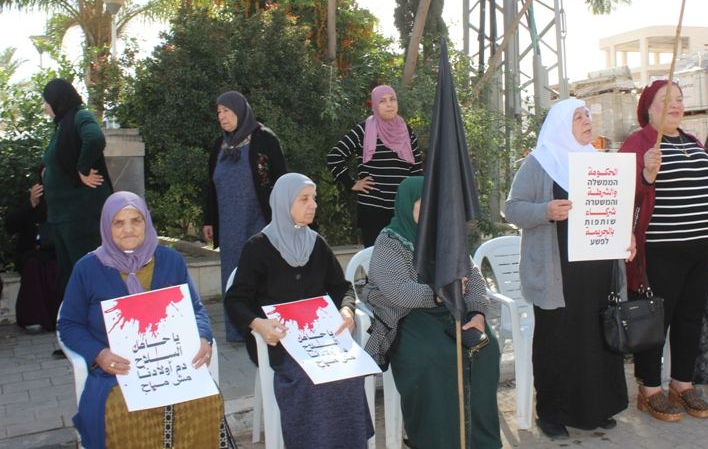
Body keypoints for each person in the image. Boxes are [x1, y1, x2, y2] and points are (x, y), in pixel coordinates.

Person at [57, 192, 233, 449]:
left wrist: (203, 337)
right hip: (118, 372)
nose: (128, 229)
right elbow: (69, 324)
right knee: (121, 410)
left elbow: (195, 309)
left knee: (204, 400)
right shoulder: (87, 268)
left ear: (146, 222)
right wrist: (99, 354)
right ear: (106, 226)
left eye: (135, 220)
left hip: (172, 367)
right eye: (118, 223)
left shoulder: (170, 261)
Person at [505, 98, 632, 439]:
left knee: (597, 339)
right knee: (558, 344)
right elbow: (512, 209)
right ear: (561, 125)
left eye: (588, 115)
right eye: (578, 117)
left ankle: (598, 407)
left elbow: (615, 209)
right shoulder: (540, 163)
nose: (587, 121)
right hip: (558, 275)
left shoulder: (598, 161)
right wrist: (545, 211)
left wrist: (626, 237)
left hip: (597, 273)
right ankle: (552, 414)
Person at [224, 173, 374, 449]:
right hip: (280, 341)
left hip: (321, 340)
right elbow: (236, 300)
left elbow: (342, 287)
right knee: (310, 381)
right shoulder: (258, 248)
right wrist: (258, 324)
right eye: (304, 199)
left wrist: (346, 310)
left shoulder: (316, 244)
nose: (313, 205)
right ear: (284, 203)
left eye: (314, 198)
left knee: (349, 375)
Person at [620, 79, 708, 422]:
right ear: (648, 108)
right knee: (655, 321)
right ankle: (649, 390)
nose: (675, 104)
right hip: (661, 251)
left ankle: (682, 383)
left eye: (679, 98)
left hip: (700, 251)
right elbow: (623, 195)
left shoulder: (693, 142)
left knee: (690, 319)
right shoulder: (638, 143)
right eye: (666, 99)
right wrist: (646, 174)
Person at [362, 176, 502, 449]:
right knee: (435, 357)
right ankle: (433, 440)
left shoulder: (446, 235)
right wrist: (440, 293)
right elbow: (399, 291)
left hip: (451, 313)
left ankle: (478, 441)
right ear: (407, 205)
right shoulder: (390, 241)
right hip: (407, 318)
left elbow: (473, 278)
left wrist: (477, 313)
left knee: (486, 348)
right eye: (422, 205)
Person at [203, 90, 287, 342]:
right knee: (233, 276)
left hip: (259, 220)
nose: (222, 116)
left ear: (240, 111)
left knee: (261, 274)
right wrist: (208, 219)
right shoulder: (219, 145)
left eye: (227, 111)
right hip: (229, 225)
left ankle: (267, 329)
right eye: (219, 112)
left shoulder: (264, 139)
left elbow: (282, 180)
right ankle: (237, 332)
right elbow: (210, 185)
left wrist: (283, 217)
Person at [327, 85, 423, 247]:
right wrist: (351, 183)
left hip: (402, 210)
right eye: (382, 101)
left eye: (392, 99)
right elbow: (334, 156)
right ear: (375, 105)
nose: (389, 104)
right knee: (374, 257)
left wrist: (418, 202)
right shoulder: (363, 130)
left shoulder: (406, 131)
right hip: (373, 209)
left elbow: (416, 170)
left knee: (404, 257)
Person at [41, 78, 112, 298]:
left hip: (81, 217)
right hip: (63, 217)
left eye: (46, 101)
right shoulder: (63, 124)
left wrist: (82, 169)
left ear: (57, 100)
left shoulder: (80, 116)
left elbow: (95, 138)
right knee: (71, 278)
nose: (44, 107)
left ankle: (97, 318)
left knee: (90, 276)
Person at [4, 168, 59, 333]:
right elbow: (10, 226)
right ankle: (33, 319)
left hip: (56, 252)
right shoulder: (29, 196)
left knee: (57, 268)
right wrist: (31, 203)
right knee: (33, 266)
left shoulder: (64, 195)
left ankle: (59, 318)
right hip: (30, 252)